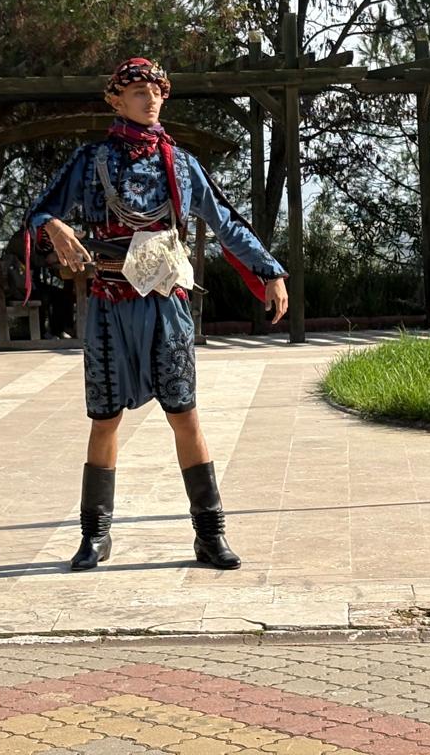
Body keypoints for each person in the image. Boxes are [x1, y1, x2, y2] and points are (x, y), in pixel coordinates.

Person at [24, 57, 289, 571]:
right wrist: (56, 227)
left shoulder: (182, 165)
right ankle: (95, 536)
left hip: (167, 302)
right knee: (105, 420)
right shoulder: (91, 160)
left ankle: (210, 535)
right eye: (139, 92)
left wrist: (269, 270)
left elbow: (226, 221)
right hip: (109, 303)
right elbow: (40, 212)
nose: (150, 100)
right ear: (115, 100)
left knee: (184, 414)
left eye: (157, 92)